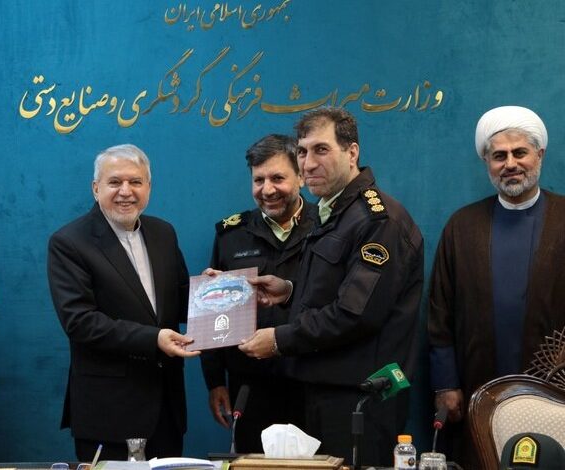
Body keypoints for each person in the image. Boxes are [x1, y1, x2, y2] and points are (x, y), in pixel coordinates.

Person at [239, 108, 423, 466]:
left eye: (321, 150)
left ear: (351, 153)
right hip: (323, 395)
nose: (308, 164)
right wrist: (290, 291)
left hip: (359, 403)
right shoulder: (336, 212)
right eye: (302, 152)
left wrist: (278, 339)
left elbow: (355, 315)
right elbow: (339, 289)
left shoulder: (378, 220)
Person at [428, 105, 565, 468]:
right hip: (477, 387)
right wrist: (446, 384)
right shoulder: (462, 226)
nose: (510, 164)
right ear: (486, 162)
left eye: (520, 153)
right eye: (499, 156)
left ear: (540, 154)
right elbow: (440, 313)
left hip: (556, 391)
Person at [47, 144, 199, 462]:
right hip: (109, 414)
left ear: (149, 187)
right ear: (96, 188)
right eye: (115, 182)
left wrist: (217, 292)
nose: (126, 191)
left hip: (166, 411)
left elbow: (183, 301)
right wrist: (154, 339)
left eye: (135, 182)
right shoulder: (69, 242)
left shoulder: (163, 233)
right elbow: (80, 322)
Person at [200, 134, 317, 452]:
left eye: (278, 178)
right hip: (250, 387)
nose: (267, 189)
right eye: (258, 180)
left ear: (301, 177)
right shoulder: (231, 235)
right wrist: (215, 382)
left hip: (312, 382)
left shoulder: (327, 228)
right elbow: (214, 315)